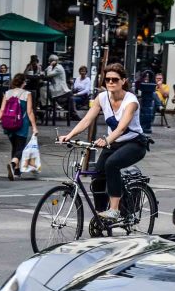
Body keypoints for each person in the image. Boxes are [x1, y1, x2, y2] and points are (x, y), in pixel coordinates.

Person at [58, 63, 146, 222]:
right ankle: (100, 217)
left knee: (112, 164)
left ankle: (114, 210)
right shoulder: (102, 98)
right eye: (107, 80)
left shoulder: (131, 101)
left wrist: (105, 140)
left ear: (123, 81)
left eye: (115, 79)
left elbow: (120, 128)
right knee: (98, 176)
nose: (111, 82)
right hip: (113, 144)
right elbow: (86, 120)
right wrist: (69, 135)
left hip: (134, 144)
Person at [0, 73, 38, 180]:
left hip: (8, 124)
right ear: (23, 83)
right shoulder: (27, 94)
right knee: (21, 147)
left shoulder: (7, 93)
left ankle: (16, 171)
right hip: (22, 124)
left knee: (15, 147)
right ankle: (12, 164)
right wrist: (34, 127)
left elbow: (2, 110)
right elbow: (30, 112)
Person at [45, 54, 70, 118]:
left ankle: (50, 105)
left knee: (44, 89)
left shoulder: (58, 68)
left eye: (50, 61)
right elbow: (45, 71)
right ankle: (51, 105)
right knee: (44, 88)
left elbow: (48, 74)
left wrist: (50, 66)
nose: (49, 62)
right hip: (56, 87)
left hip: (60, 89)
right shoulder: (54, 67)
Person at [136, 69, 158, 136]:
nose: (147, 78)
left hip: (149, 101)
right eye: (145, 76)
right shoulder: (138, 83)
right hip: (140, 99)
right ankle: (160, 105)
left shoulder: (152, 83)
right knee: (154, 96)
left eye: (148, 76)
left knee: (154, 98)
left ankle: (147, 126)